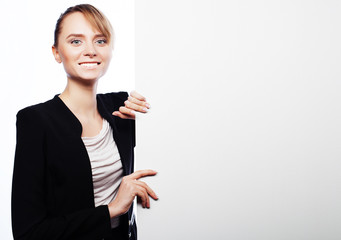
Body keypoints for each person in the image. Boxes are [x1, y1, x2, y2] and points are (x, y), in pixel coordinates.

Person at [11, 4, 157, 240]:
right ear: (57, 52)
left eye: (100, 41)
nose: (90, 50)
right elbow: (28, 232)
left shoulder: (122, 108)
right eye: (76, 41)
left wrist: (152, 112)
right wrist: (111, 210)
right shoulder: (35, 121)